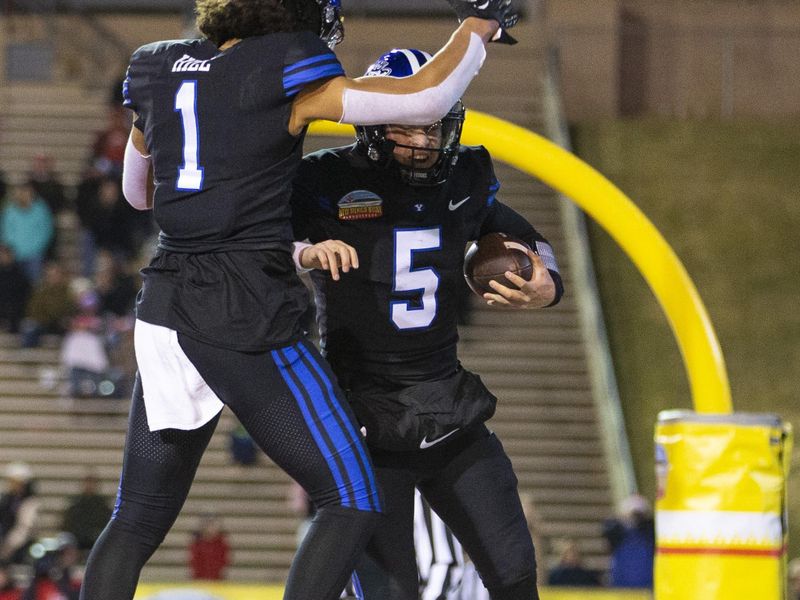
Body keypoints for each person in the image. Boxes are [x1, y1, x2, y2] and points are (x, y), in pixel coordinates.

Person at [81, 1, 518, 599]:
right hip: (242, 309)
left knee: (136, 516)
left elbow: (137, 192)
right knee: (353, 498)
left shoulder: (155, 64)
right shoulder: (286, 61)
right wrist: (481, 24)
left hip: (164, 303)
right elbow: (423, 101)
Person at [290, 47, 563, 600]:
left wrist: (548, 283)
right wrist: (303, 253)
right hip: (364, 416)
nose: (423, 142)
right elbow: (257, 237)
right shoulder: (324, 179)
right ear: (372, 122)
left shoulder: (462, 174)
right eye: (406, 128)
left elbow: (527, 238)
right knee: (391, 594)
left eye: (433, 127)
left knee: (514, 576)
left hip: (448, 409)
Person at [0, 182, 54, 284]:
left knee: (33, 283)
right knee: (13, 283)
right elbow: (5, 230)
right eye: (22, 192)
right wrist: (9, 248)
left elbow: (46, 231)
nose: (24, 195)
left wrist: (36, 247)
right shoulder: (10, 210)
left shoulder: (41, 210)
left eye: (27, 192)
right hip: (14, 254)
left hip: (34, 255)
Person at [601, 494, 655, 589]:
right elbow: (607, 532)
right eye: (633, 514)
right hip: (623, 585)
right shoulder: (617, 533)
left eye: (639, 515)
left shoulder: (649, 534)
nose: (635, 518)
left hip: (647, 585)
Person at [61, 474, 112, 556]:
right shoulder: (75, 504)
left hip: (96, 537)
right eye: (87, 483)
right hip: (77, 538)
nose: (89, 486)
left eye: (92, 483)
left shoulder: (103, 505)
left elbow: (107, 523)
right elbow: (67, 524)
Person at [0, 464, 39, 565]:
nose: (12, 485)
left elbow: (25, 528)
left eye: (16, 482)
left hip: (20, 547)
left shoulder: (30, 502)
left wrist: (9, 545)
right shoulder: (7, 499)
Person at [0, 245, 31, 334]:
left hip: (15, 308)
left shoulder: (20, 274)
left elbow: (25, 293)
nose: (2, 258)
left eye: (4, 255)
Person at [188, 514, 230, 580]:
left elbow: (224, 560)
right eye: (208, 525)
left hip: (217, 579)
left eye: (213, 525)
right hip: (199, 579)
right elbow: (194, 561)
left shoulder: (221, 542)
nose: (211, 528)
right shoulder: (197, 543)